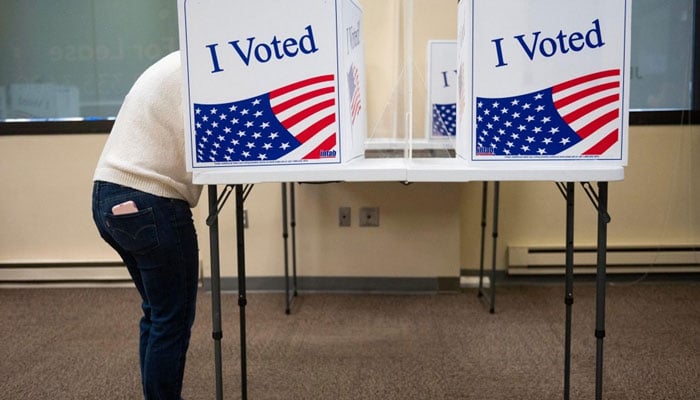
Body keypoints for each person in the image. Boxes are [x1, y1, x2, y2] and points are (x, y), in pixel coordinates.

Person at [92, 51, 202, 400]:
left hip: (107, 194)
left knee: (157, 312)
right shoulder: (211, 66)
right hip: (152, 200)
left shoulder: (179, 61)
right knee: (172, 319)